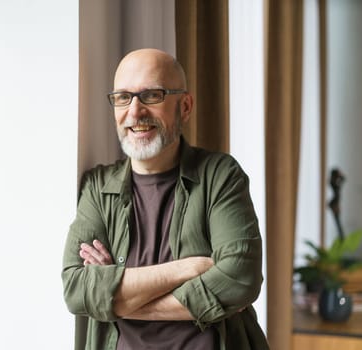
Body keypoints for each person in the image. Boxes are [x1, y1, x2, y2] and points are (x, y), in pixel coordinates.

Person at [62, 48, 269, 350]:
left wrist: (116, 298)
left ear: (184, 106)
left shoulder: (221, 176)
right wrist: (188, 269)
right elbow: (76, 290)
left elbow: (239, 280)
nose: (135, 112)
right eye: (123, 97)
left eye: (152, 95)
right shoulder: (97, 187)